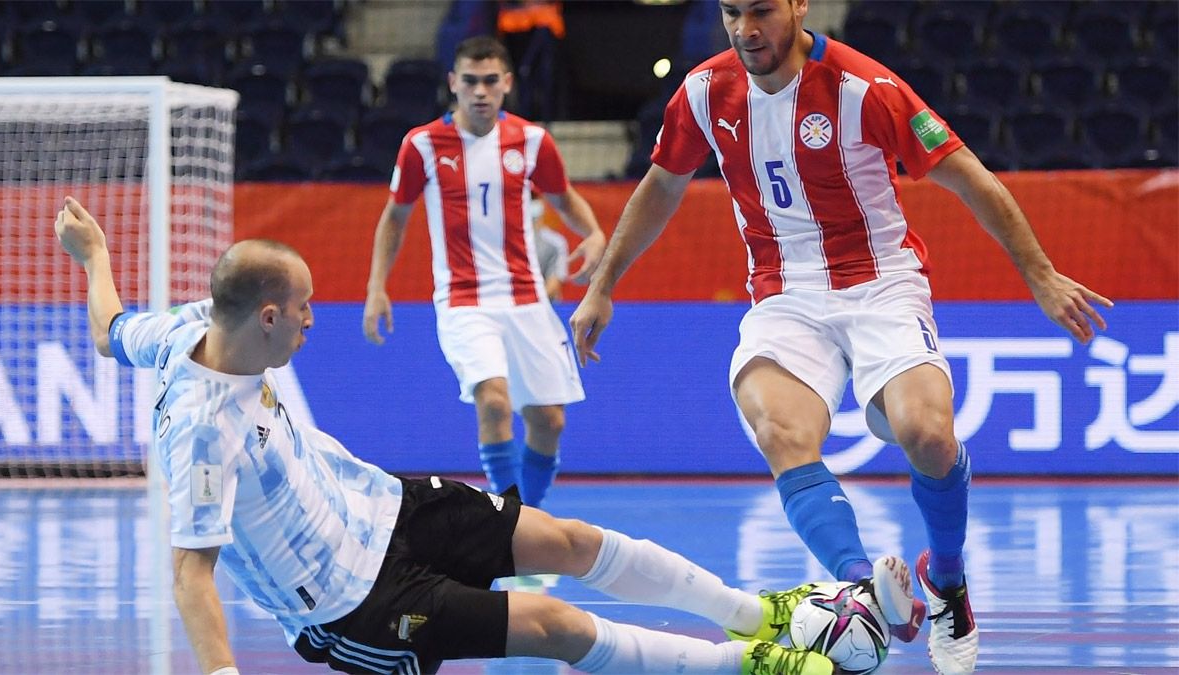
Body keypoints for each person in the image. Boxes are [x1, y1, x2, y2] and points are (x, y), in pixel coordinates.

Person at [54, 195, 854, 675]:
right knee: (557, 626)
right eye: (302, 307)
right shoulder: (202, 431)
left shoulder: (188, 326)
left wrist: (94, 256)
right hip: (355, 603)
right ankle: (746, 662)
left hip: (380, 507)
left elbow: (109, 329)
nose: (311, 320)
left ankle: (756, 612)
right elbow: (191, 574)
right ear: (266, 316)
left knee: (568, 539)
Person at [568, 2, 1114, 675]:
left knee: (929, 437)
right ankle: (864, 588)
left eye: (762, 10)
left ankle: (947, 580)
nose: (745, 29)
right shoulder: (705, 91)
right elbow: (661, 184)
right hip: (783, 295)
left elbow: (969, 175)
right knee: (780, 430)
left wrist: (1040, 275)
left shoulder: (865, 88)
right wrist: (603, 283)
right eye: (732, 12)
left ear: (799, 5)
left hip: (881, 284)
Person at [363, 36, 606, 509]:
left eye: (490, 81)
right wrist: (377, 287)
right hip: (462, 300)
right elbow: (395, 217)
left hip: (528, 298)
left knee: (549, 421)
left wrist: (594, 232)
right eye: (470, 81)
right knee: (494, 402)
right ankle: (508, 519)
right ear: (453, 82)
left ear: (507, 84)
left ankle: (528, 515)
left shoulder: (531, 140)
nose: (480, 91)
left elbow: (563, 198)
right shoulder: (422, 145)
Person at [531, 197, 570, 301]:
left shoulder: (555, 243)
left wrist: (528, 303)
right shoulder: (503, 240)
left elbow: (553, 286)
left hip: (544, 305)